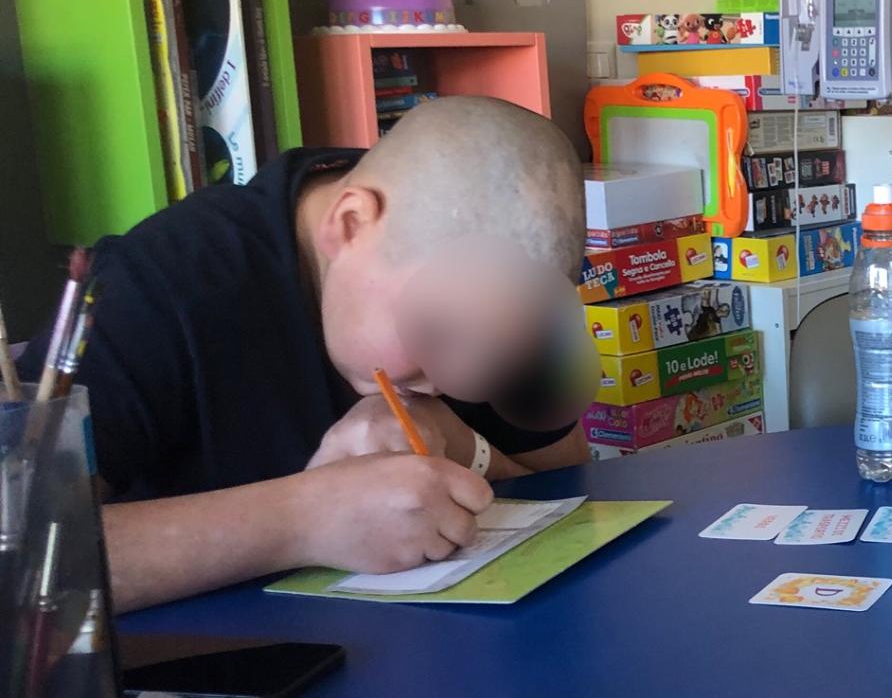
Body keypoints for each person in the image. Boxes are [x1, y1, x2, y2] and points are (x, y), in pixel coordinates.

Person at [17, 97, 591, 611]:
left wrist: (457, 439)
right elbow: (22, 553)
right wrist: (304, 519)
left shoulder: (506, 282)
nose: (449, 379)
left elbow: (571, 489)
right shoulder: (160, 287)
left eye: (491, 356)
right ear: (349, 224)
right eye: (433, 334)